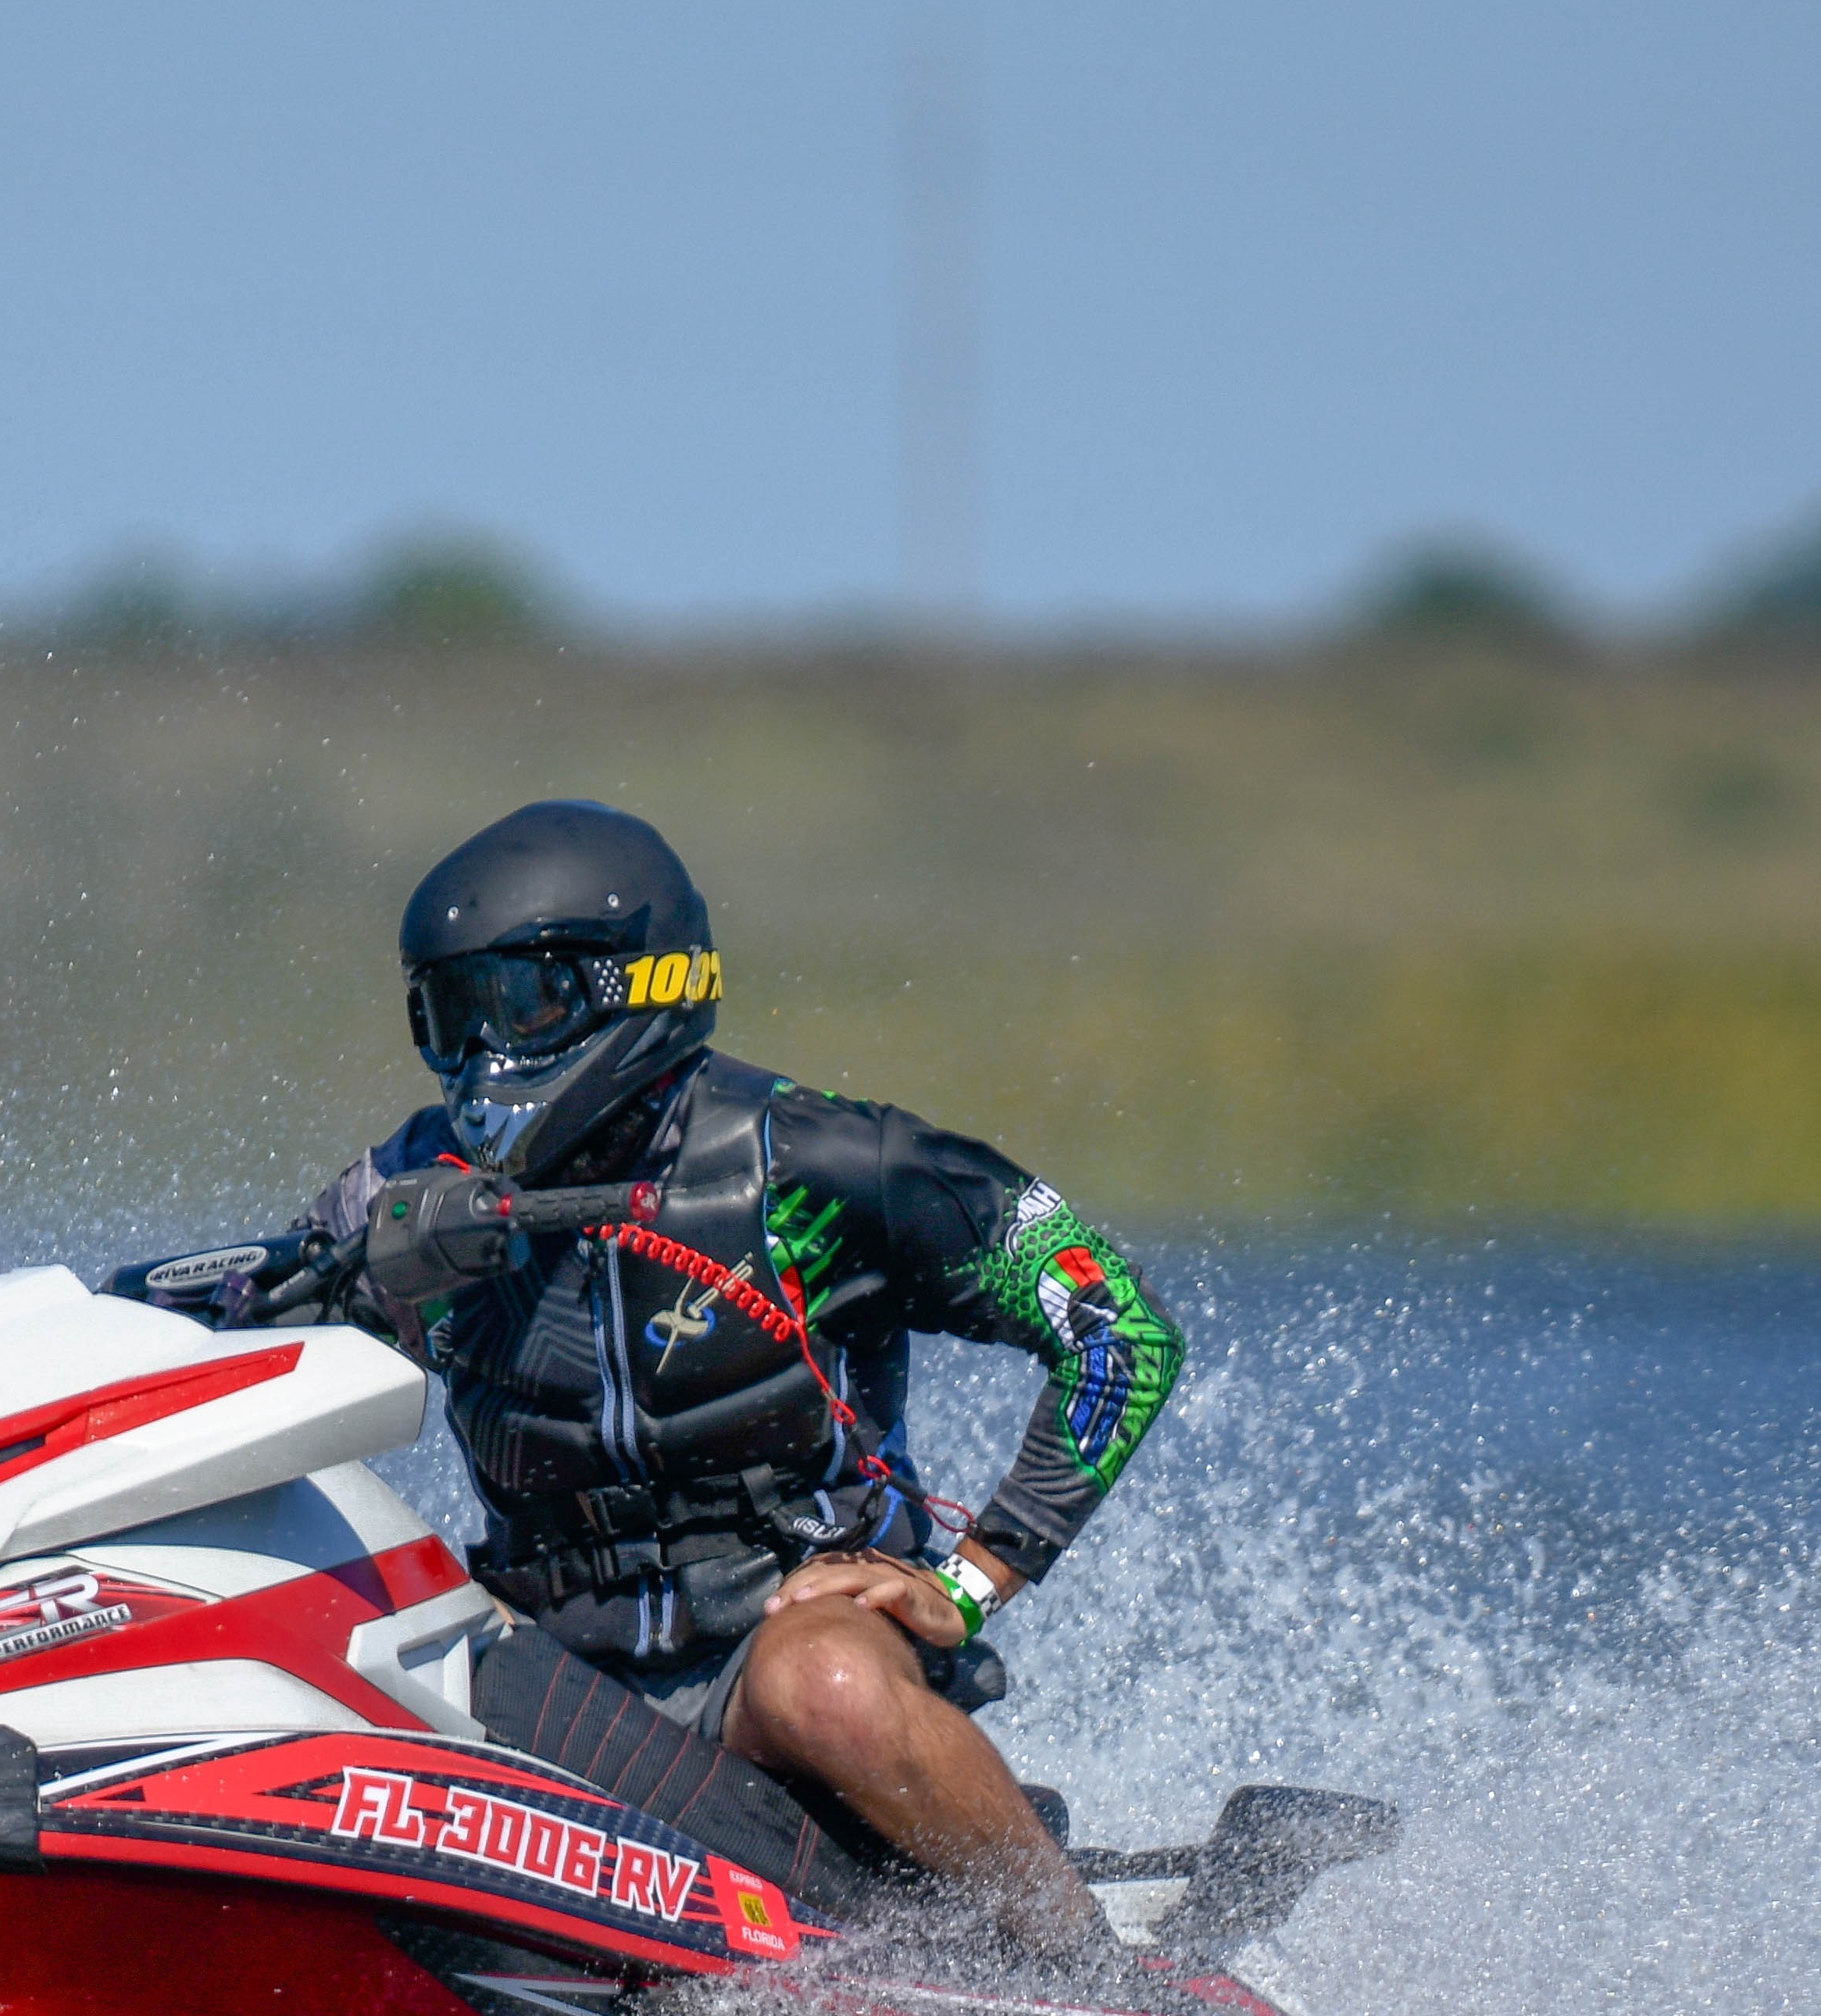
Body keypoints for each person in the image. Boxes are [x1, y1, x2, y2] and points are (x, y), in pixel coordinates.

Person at [112, 799, 1179, 1954]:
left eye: (521, 1002)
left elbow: (1122, 1329)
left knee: (821, 1685)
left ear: (639, 981)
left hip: (784, 1652)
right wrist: (332, 1279)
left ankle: (1089, 1974)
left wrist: (972, 1583)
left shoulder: (821, 1165)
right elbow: (192, 1338)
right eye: (451, 1014)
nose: (485, 1054)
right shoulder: (407, 1188)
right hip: (548, 1674)